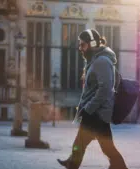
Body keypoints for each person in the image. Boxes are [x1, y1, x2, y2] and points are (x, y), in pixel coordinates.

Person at [57, 29, 128, 169]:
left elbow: (105, 89)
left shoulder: (101, 61)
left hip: (97, 113)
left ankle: (74, 163)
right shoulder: (95, 60)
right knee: (94, 144)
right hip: (95, 111)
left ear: (92, 44)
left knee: (99, 145)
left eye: (83, 45)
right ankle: (74, 162)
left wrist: (88, 108)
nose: (80, 48)